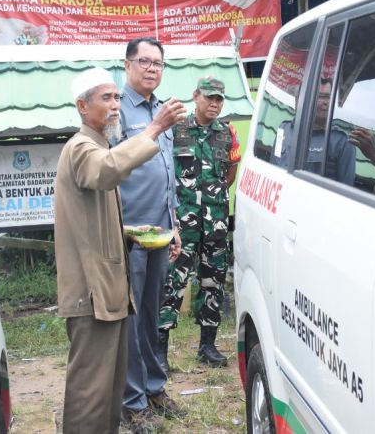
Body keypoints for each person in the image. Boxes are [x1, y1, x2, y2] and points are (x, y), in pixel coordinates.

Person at [54, 67, 185, 433]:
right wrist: (154, 128)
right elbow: (105, 171)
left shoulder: (98, 145)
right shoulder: (82, 148)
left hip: (107, 288)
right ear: (82, 106)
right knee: (90, 392)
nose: (115, 106)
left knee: (109, 389)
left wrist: (126, 232)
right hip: (91, 291)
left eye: (116, 98)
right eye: (106, 99)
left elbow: (91, 214)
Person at [117, 37, 186, 432]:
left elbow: (167, 172)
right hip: (129, 234)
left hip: (161, 231)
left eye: (158, 63)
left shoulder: (163, 109)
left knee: (152, 316)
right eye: (144, 61)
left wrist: (173, 222)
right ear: (128, 65)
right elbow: (111, 167)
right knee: (131, 318)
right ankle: (132, 401)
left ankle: (154, 388)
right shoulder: (115, 108)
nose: (152, 69)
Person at [157, 76, 241, 371]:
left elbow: (230, 172)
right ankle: (160, 352)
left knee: (213, 282)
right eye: (209, 97)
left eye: (219, 99)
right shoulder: (176, 129)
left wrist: (214, 195)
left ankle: (208, 346)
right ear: (196, 96)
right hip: (184, 224)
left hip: (215, 224)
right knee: (172, 283)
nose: (214, 104)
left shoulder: (227, 133)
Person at [275, 78, 356, 185]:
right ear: (300, 99)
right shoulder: (283, 130)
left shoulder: (342, 142)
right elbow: (273, 169)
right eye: (321, 97)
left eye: (329, 97)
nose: (326, 103)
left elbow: (346, 191)